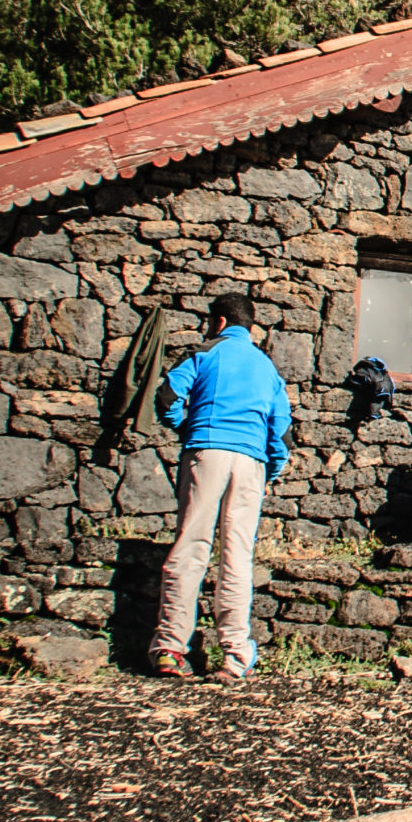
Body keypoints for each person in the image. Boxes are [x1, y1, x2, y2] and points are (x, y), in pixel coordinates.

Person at [150, 292, 294, 681]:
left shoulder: (204, 353)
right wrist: (270, 472)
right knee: (237, 556)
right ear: (250, 327)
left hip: (206, 452)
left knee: (191, 547)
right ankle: (235, 657)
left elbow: (166, 396)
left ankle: (169, 649)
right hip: (251, 463)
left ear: (218, 323)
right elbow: (280, 431)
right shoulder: (267, 369)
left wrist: (185, 426)